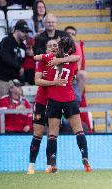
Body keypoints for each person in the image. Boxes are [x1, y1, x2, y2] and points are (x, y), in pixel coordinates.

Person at [34, 37, 91, 173]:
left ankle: (52, 163)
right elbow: (76, 59)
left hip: (54, 99)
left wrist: (51, 56)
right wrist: (62, 58)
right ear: (70, 48)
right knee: (79, 130)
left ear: (59, 47)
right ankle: (85, 158)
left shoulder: (49, 58)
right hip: (70, 98)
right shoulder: (72, 60)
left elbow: (36, 57)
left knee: (52, 133)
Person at [27, 39, 76, 175]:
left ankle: (50, 165)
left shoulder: (62, 61)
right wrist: (55, 82)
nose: (53, 47)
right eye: (50, 46)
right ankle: (31, 166)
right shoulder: (43, 62)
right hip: (42, 101)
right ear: (46, 49)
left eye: (55, 45)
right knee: (37, 134)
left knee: (52, 134)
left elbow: (75, 58)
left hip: (55, 102)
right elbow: (37, 81)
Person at [0, 20, 32, 100]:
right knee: (4, 102)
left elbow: (22, 62)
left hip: (15, 80)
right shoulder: (7, 40)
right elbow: (5, 57)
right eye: (24, 31)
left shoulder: (23, 46)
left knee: (19, 103)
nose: (26, 34)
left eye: (27, 32)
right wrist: (19, 67)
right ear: (16, 30)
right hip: (2, 78)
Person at [64, 26, 88, 104]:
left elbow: (78, 65)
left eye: (73, 34)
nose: (70, 35)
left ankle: (77, 101)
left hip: (71, 73)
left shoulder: (77, 46)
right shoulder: (58, 45)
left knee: (82, 74)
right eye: (68, 33)